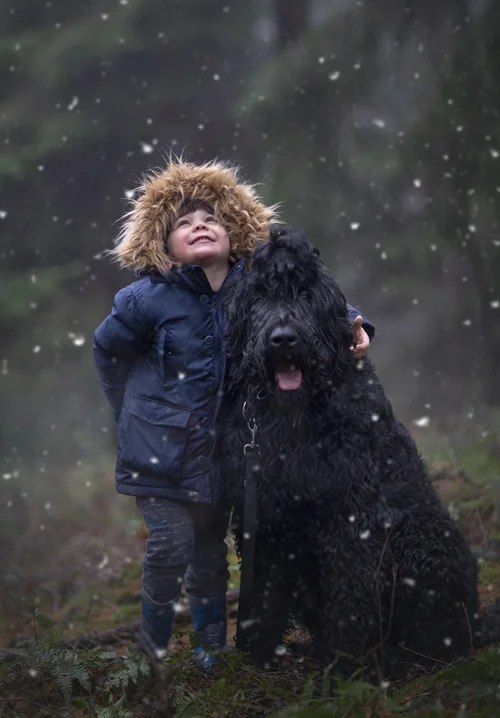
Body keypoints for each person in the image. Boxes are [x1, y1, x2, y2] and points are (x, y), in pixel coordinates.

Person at [93, 158, 375, 665]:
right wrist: (130, 412)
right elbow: (109, 352)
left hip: (222, 452)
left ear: (235, 229)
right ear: (162, 243)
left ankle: (210, 647)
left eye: (210, 218)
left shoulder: (255, 283)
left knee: (208, 553)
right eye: (183, 222)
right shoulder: (144, 299)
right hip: (159, 451)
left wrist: (355, 320)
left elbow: (312, 296)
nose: (199, 225)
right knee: (170, 545)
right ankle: (151, 646)